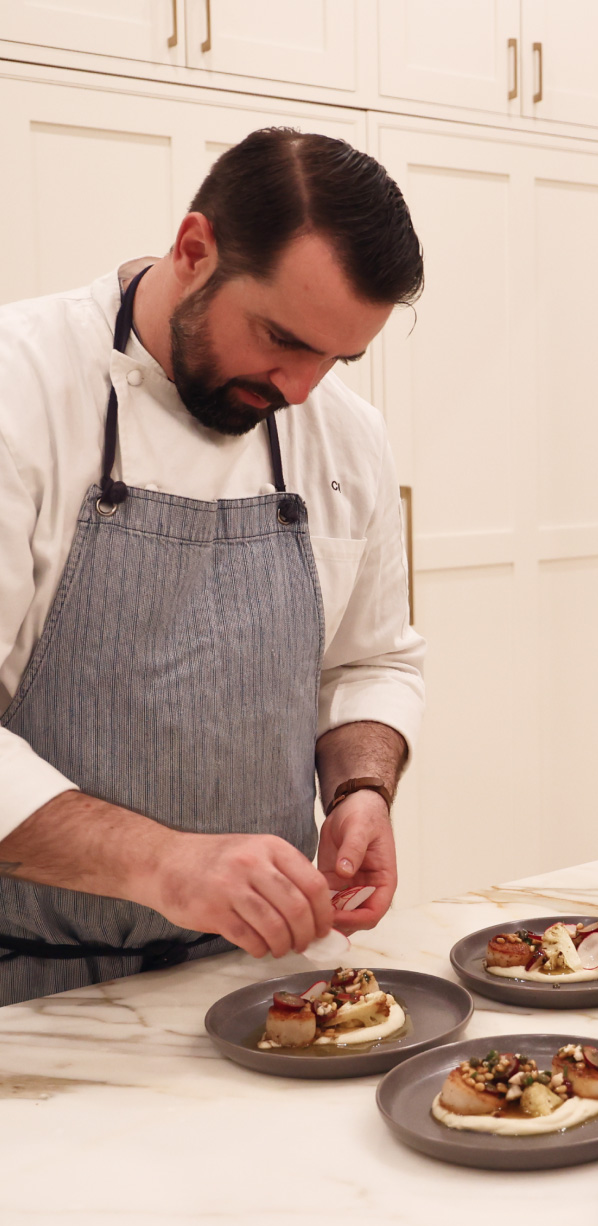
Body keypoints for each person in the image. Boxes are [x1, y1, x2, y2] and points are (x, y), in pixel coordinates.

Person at [0, 127, 427, 1004]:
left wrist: (360, 787)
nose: (301, 388)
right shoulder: (21, 389)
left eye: (336, 357)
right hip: (27, 991)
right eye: (281, 337)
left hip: (255, 983)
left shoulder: (346, 432)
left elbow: (368, 659)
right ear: (194, 250)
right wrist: (166, 863)